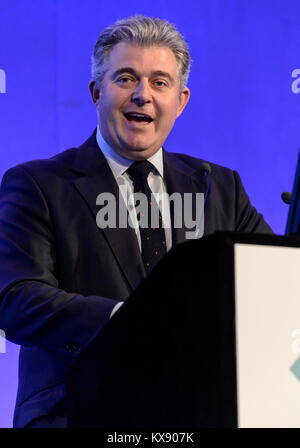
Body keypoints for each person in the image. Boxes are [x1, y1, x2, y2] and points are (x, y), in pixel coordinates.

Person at [0, 15, 272, 428]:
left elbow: (271, 285)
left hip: (197, 412)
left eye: (159, 82)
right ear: (96, 92)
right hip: (76, 413)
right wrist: (131, 324)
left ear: (180, 101)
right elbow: (16, 298)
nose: (142, 95)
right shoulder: (38, 185)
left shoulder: (219, 188)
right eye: (125, 78)